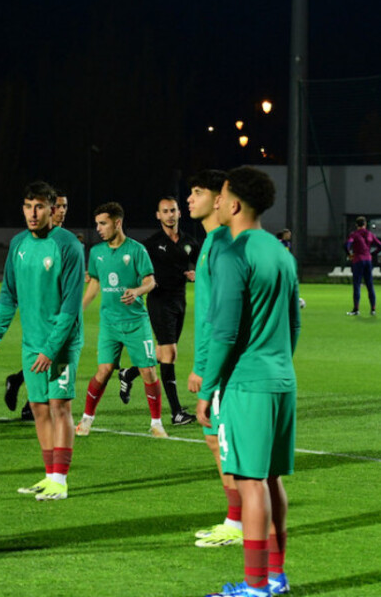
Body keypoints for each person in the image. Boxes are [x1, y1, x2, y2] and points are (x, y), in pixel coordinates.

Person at [199, 167, 300, 597]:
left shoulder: (234, 253)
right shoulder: (281, 252)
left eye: (221, 196)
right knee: (272, 478)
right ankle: (275, 576)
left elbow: (223, 332)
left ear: (235, 204)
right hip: (281, 380)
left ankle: (255, 585)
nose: (218, 203)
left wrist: (206, 389)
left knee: (248, 480)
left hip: (247, 383)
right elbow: (294, 322)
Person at [0, 181, 83, 501]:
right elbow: (7, 294)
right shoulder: (18, 244)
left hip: (62, 343)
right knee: (39, 408)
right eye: (28, 206)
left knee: (60, 406)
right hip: (31, 343)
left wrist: (52, 350)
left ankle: (61, 481)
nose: (33, 213)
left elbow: (71, 305)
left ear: (53, 209)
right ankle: (48, 475)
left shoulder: (69, 245)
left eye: (40, 206)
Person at [185, 169, 244, 548]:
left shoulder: (222, 243)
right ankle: (234, 519)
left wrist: (203, 369)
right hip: (215, 363)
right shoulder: (210, 242)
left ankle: (239, 524)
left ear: (219, 199)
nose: (189, 199)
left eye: (197, 192)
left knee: (226, 443)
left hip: (223, 367)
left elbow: (220, 317)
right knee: (213, 440)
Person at [75, 202, 168, 439]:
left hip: (136, 322)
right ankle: (86, 420)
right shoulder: (96, 253)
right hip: (109, 323)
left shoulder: (137, 250)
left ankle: (156, 423)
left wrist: (137, 291)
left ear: (118, 222)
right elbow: (94, 284)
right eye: (97, 224)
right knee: (104, 371)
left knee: (148, 372)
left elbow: (150, 281)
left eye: (103, 223)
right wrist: (77, 311)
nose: (98, 229)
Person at [118, 196, 199, 425]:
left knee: (164, 353)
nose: (170, 215)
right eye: (165, 211)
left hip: (179, 301)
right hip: (159, 300)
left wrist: (198, 274)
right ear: (158, 215)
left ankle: (129, 373)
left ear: (179, 213)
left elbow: (204, 265)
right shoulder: (151, 244)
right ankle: (176, 412)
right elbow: (136, 268)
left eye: (173, 210)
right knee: (170, 353)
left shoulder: (189, 242)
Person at [4, 192, 69, 421]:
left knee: (48, 358)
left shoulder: (65, 240)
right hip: (41, 314)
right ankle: (31, 404)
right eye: (58, 206)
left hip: (57, 313)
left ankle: (22, 389)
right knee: (47, 357)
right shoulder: (31, 241)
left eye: (65, 206)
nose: (61, 210)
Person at [345, 216, 381, 316]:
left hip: (358, 260)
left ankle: (356, 309)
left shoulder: (354, 234)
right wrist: (373, 254)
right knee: (370, 285)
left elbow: (347, 245)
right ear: (365, 224)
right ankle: (373, 309)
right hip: (368, 260)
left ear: (357, 225)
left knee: (357, 285)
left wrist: (349, 254)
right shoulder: (370, 234)